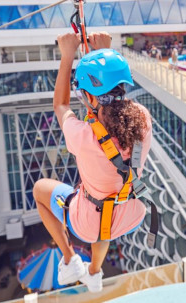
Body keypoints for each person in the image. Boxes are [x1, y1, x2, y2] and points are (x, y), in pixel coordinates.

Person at [32, 31, 153, 293]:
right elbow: (109, 101)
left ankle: (70, 261)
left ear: (89, 97)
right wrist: (104, 55)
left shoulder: (83, 134)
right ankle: (94, 273)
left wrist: (67, 56)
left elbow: (61, 105)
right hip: (130, 212)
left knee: (40, 190)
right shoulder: (142, 118)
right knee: (104, 214)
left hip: (88, 221)